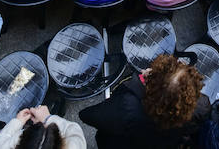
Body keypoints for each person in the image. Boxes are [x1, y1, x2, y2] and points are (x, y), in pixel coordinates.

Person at [80, 53, 210, 148]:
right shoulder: (200, 106)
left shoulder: (127, 107)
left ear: (153, 87)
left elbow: (87, 115)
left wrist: (139, 81)